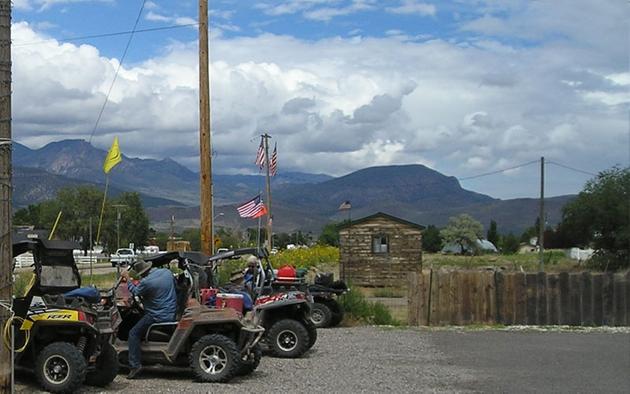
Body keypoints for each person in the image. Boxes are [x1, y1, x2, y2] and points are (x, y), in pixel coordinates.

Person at [121, 260, 177, 379]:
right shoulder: (167, 272)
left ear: (141, 273)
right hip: (171, 311)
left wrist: (127, 278)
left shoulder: (146, 282)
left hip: (158, 315)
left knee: (133, 333)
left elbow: (135, 291)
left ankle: (135, 365)